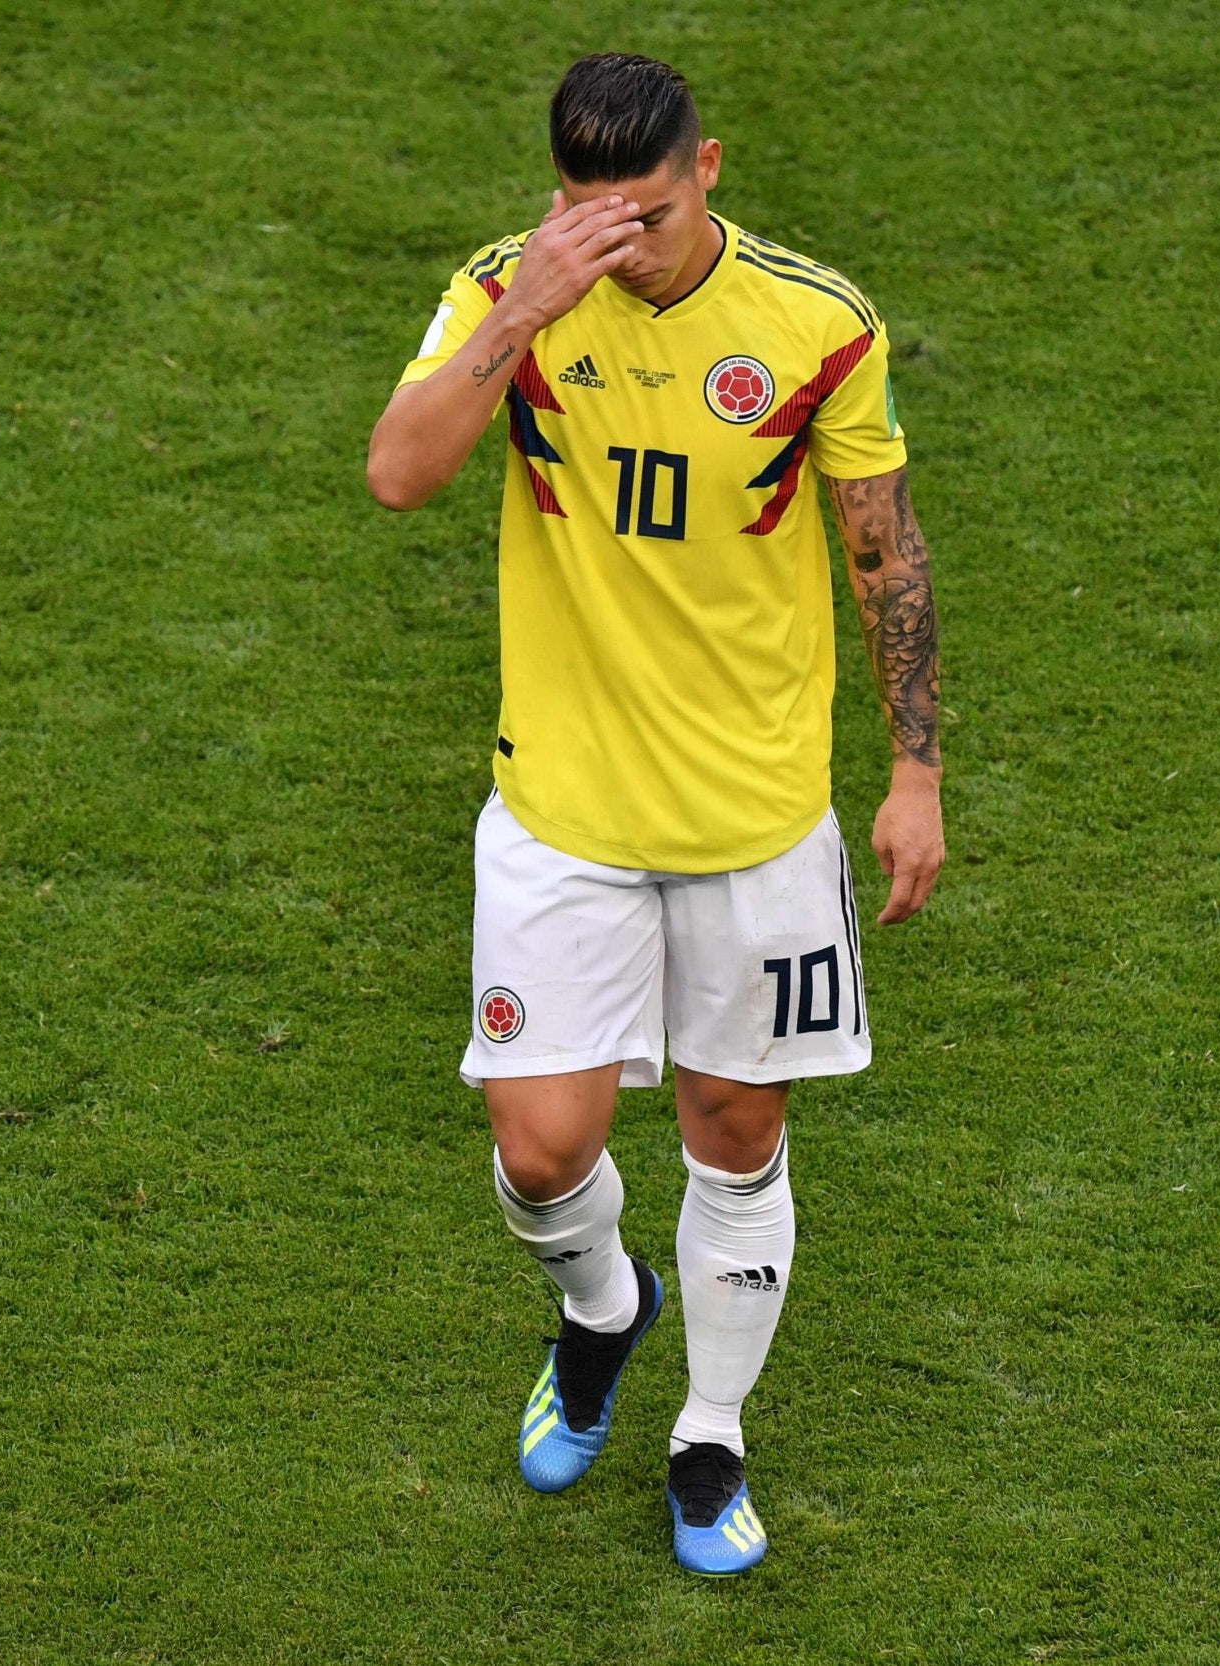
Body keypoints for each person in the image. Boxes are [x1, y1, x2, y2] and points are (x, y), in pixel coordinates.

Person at [364, 52, 945, 1575]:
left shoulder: (819, 325)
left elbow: (881, 550)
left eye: (651, 208)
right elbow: (397, 474)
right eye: (586, 211)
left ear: (711, 172)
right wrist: (521, 312)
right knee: (543, 1147)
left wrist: (915, 773)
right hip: (561, 810)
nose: (621, 238)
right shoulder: (507, 296)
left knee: (735, 1131)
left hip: (754, 821)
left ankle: (708, 1434)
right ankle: (605, 1307)